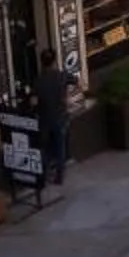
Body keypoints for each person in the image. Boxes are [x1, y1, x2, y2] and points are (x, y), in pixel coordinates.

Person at [35, 47, 73, 187]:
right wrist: (67, 97)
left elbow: (33, 99)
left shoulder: (39, 80)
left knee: (44, 148)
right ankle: (59, 176)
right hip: (60, 117)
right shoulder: (61, 75)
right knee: (60, 147)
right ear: (54, 61)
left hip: (45, 119)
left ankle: (44, 176)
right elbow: (77, 82)